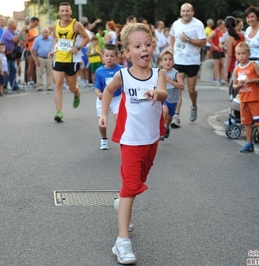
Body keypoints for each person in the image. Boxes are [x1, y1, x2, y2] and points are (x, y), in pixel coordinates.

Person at [98, 23, 167, 265]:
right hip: (130, 141)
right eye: (137, 46)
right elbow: (107, 91)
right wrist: (104, 114)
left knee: (137, 184)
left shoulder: (159, 73)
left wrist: (155, 94)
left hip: (151, 141)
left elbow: (163, 93)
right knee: (129, 187)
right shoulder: (122, 75)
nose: (144, 49)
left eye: (147, 44)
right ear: (127, 53)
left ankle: (121, 205)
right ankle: (122, 242)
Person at [49, 2, 90, 122]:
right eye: (62, 11)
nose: (65, 13)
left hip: (72, 60)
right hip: (59, 58)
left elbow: (87, 38)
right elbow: (57, 39)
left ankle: (77, 93)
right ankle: (59, 112)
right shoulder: (56, 24)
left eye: (67, 10)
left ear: (71, 12)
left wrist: (78, 48)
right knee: (58, 85)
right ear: (59, 12)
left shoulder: (76, 25)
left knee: (72, 87)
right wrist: (53, 50)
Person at [169, 3, 206, 126]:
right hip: (178, 61)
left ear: (192, 12)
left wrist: (188, 40)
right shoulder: (176, 24)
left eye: (187, 11)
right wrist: (171, 47)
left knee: (191, 90)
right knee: (178, 89)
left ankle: (194, 105)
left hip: (192, 62)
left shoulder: (198, 24)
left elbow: (203, 43)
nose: (185, 13)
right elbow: (172, 36)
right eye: (183, 11)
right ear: (180, 12)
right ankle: (176, 116)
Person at [232, 42, 259, 154]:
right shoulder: (237, 69)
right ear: (235, 55)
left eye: (243, 53)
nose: (241, 56)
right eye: (238, 54)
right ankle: (249, 143)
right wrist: (238, 85)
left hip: (255, 99)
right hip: (244, 99)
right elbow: (234, 85)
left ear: (249, 54)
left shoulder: (253, 65)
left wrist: (251, 80)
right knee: (246, 123)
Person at [93, 44, 123, 150]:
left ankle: (123, 139)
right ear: (103, 56)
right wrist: (99, 94)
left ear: (117, 56)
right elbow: (96, 86)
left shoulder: (122, 70)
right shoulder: (99, 71)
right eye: (106, 55)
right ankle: (104, 139)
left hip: (117, 98)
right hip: (103, 99)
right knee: (102, 123)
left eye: (112, 56)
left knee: (119, 118)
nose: (109, 58)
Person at [159, 50, 184, 140]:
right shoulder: (159, 72)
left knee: (169, 118)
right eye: (165, 59)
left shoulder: (175, 73)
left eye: (170, 59)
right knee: (164, 111)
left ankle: (166, 127)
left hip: (173, 100)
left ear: (173, 62)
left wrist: (169, 80)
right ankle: (161, 131)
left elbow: (182, 86)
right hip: (163, 98)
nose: (168, 61)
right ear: (161, 62)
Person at [0, 18, 27, 92]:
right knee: (7, 71)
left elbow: (16, 42)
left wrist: (21, 34)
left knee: (13, 70)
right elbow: (15, 39)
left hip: (11, 53)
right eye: (14, 22)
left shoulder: (13, 32)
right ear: (9, 25)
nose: (16, 24)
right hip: (5, 54)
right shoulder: (7, 32)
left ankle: (14, 86)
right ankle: (4, 87)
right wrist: (21, 31)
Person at [32, 27, 54, 91]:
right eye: (44, 32)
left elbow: (54, 48)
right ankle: (39, 86)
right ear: (41, 33)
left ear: (49, 33)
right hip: (40, 57)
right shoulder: (37, 39)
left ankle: (49, 86)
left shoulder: (52, 39)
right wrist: (36, 59)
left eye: (47, 32)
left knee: (49, 73)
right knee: (39, 72)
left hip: (49, 58)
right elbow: (34, 50)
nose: (46, 33)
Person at [224, 16, 245, 82]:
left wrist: (226, 71)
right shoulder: (242, 36)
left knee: (232, 89)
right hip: (242, 63)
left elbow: (229, 56)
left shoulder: (229, 38)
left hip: (233, 65)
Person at [207, 19, 226, 85]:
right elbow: (208, 38)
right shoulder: (215, 31)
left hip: (221, 49)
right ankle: (214, 79)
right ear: (220, 25)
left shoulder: (222, 31)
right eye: (223, 24)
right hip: (216, 50)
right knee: (217, 64)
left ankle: (221, 78)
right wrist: (214, 46)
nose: (224, 25)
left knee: (223, 64)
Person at [25, 17, 39, 87]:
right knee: (30, 65)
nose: (36, 25)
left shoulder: (34, 29)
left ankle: (33, 80)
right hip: (29, 48)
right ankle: (28, 80)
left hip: (35, 49)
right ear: (32, 22)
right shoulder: (27, 29)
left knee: (34, 65)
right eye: (35, 23)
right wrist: (34, 37)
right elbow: (25, 39)